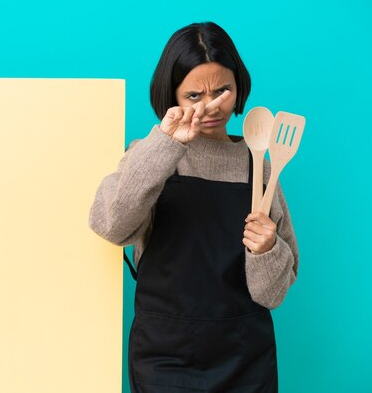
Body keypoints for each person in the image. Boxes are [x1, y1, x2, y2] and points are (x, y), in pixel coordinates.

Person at [88, 21, 299, 392]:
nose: (211, 106)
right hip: (164, 355)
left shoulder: (261, 164)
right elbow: (112, 226)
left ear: (239, 89)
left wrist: (268, 249)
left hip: (244, 355)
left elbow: (273, 295)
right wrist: (168, 144)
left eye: (223, 91)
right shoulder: (149, 153)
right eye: (194, 96)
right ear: (172, 95)